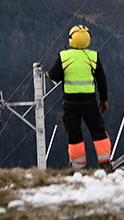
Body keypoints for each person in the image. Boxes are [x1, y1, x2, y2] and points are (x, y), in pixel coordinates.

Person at [47, 24, 112, 169]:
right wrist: (103, 100)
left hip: (70, 104)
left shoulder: (64, 57)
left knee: (74, 133)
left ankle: (77, 166)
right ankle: (105, 162)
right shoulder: (93, 57)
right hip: (89, 102)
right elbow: (101, 80)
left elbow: (53, 75)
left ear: (71, 40)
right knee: (98, 130)